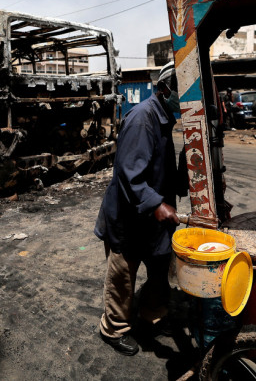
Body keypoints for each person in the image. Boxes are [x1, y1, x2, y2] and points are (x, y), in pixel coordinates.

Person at [94, 61, 185, 356]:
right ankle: (114, 328)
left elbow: (159, 168)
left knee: (159, 269)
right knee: (123, 276)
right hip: (128, 218)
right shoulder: (142, 118)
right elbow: (128, 173)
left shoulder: (164, 116)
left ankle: (151, 315)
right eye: (182, 92)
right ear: (165, 89)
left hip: (152, 222)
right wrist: (156, 203)